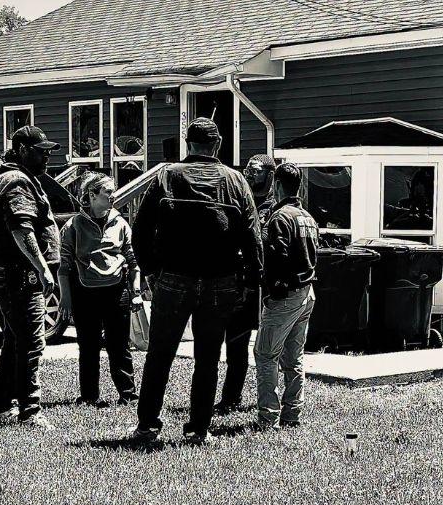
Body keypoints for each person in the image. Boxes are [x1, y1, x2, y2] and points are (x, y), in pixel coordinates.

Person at [130, 118, 262, 444]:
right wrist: (251, 281)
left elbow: (140, 229)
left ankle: (147, 425)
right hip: (220, 280)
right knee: (207, 358)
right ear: (218, 145)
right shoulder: (235, 181)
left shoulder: (167, 176)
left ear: (188, 144)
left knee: (160, 355)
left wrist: (150, 270)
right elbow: (252, 236)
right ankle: (198, 430)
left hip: (173, 278)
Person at [0, 126, 61, 430]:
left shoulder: (20, 178)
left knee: (16, 338)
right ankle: (31, 411)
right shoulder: (16, 181)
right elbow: (21, 228)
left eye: (47, 151)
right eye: (40, 151)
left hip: (17, 271)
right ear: (20, 150)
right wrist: (42, 268)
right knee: (32, 340)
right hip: (20, 273)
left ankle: (2, 405)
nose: (46, 157)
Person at [59, 172, 139, 408]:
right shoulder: (73, 226)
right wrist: (65, 298)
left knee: (119, 345)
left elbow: (133, 261)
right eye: (107, 192)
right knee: (88, 345)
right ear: (91, 196)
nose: (113, 196)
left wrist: (135, 290)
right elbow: (64, 267)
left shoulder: (120, 223)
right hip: (85, 292)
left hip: (116, 291)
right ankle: (89, 396)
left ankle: (128, 394)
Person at [255, 163, 319, 429]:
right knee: (294, 358)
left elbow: (276, 256)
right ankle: (292, 414)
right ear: (299, 185)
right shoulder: (307, 217)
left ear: (277, 184)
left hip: (286, 295)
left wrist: (272, 292)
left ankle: (268, 417)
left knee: (266, 355)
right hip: (307, 292)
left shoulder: (280, 217)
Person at [215, 154, 276, 415]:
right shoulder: (240, 199)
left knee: (266, 347)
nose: (249, 174)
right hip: (236, 282)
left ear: (270, 175)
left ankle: (269, 398)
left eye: (256, 170)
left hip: (264, 287)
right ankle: (231, 397)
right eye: (248, 170)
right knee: (234, 343)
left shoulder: (273, 208)